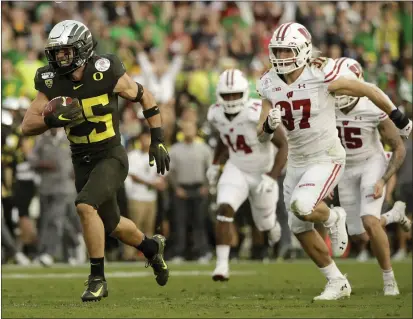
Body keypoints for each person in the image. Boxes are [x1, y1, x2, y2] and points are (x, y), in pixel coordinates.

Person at [256, 22, 412, 301]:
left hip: (326, 156)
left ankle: (333, 215)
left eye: (286, 51)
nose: (279, 57)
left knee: (303, 207)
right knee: (297, 225)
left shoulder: (321, 73)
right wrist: (268, 125)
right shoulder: (268, 82)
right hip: (297, 160)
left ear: (302, 51)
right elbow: (261, 136)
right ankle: (337, 281)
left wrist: (398, 116)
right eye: (276, 51)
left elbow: (366, 89)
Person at [21, 20, 170, 302]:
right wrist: (50, 120)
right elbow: (27, 125)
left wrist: (157, 138)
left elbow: (144, 95)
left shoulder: (106, 70)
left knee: (85, 205)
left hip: (111, 154)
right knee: (111, 223)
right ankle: (151, 248)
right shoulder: (51, 80)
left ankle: (97, 278)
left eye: (65, 52)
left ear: (83, 48)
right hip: (81, 160)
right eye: (56, 52)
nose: (59, 58)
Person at [334, 57, 410, 295]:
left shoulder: (373, 107)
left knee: (369, 219)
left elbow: (399, 148)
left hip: (372, 163)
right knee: (361, 233)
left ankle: (389, 280)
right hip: (346, 167)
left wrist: (383, 180)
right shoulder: (326, 105)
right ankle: (394, 215)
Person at [207, 69, 288, 281]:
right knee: (224, 208)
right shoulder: (215, 113)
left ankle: (272, 225)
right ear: (219, 95)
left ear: (244, 93)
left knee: (263, 223)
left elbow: (283, 145)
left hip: (262, 171)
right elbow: (226, 139)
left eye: (235, 94)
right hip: (237, 168)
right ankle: (221, 266)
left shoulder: (256, 112)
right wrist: (216, 164)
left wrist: (272, 176)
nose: (231, 99)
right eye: (227, 95)